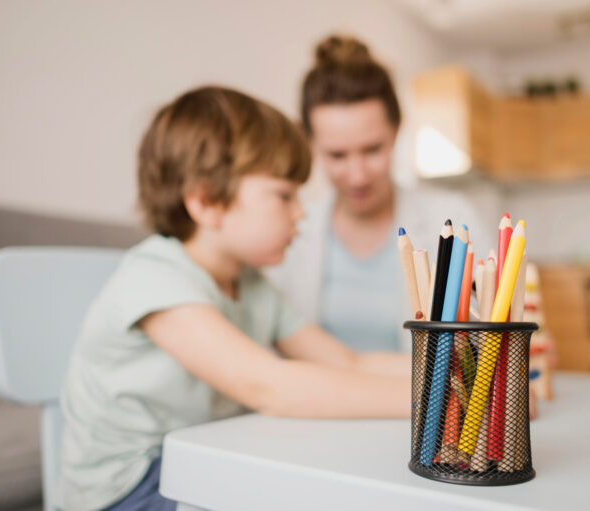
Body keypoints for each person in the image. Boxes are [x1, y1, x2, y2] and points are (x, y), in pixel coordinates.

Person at [55, 86, 410, 511]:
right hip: (129, 487)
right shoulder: (154, 277)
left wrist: (457, 375)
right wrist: (434, 404)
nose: (301, 212)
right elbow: (271, 388)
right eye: (284, 195)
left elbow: (348, 362)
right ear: (206, 201)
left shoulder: (255, 286)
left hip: (197, 459)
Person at [267, 35, 493, 353]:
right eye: (337, 155)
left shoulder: (454, 219)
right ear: (310, 143)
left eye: (372, 149)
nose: (358, 176)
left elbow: (492, 341)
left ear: (397, 130)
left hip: (424, 404)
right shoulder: (289, 232)